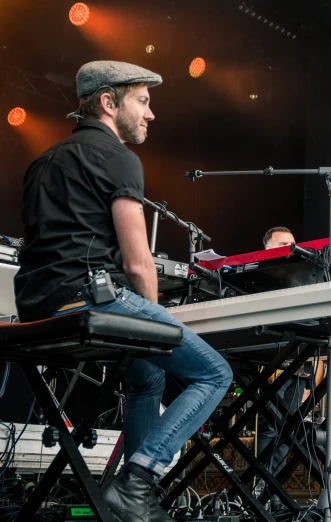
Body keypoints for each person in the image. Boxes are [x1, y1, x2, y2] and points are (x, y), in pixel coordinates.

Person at [14, 61, 233, 522]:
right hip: (92, 296)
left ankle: (133, 508)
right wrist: (156, 325)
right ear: (109, 103)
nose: (151, 114)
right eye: (143, 101)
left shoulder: (42, 161)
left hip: (38, 307)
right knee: (215, 374)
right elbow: (137, 263)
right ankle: (138, 480)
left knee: (148, 379)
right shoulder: (119, 158)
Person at [256, 226, 307, 508]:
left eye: (293, 243)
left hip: (299, 364)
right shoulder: (261, 274)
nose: (291, 247)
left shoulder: (299, 274)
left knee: (288, 429)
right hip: (271, 359)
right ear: (268, 248)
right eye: (284, 243)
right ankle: (262, 486)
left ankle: (272, 491)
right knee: (269, 428)